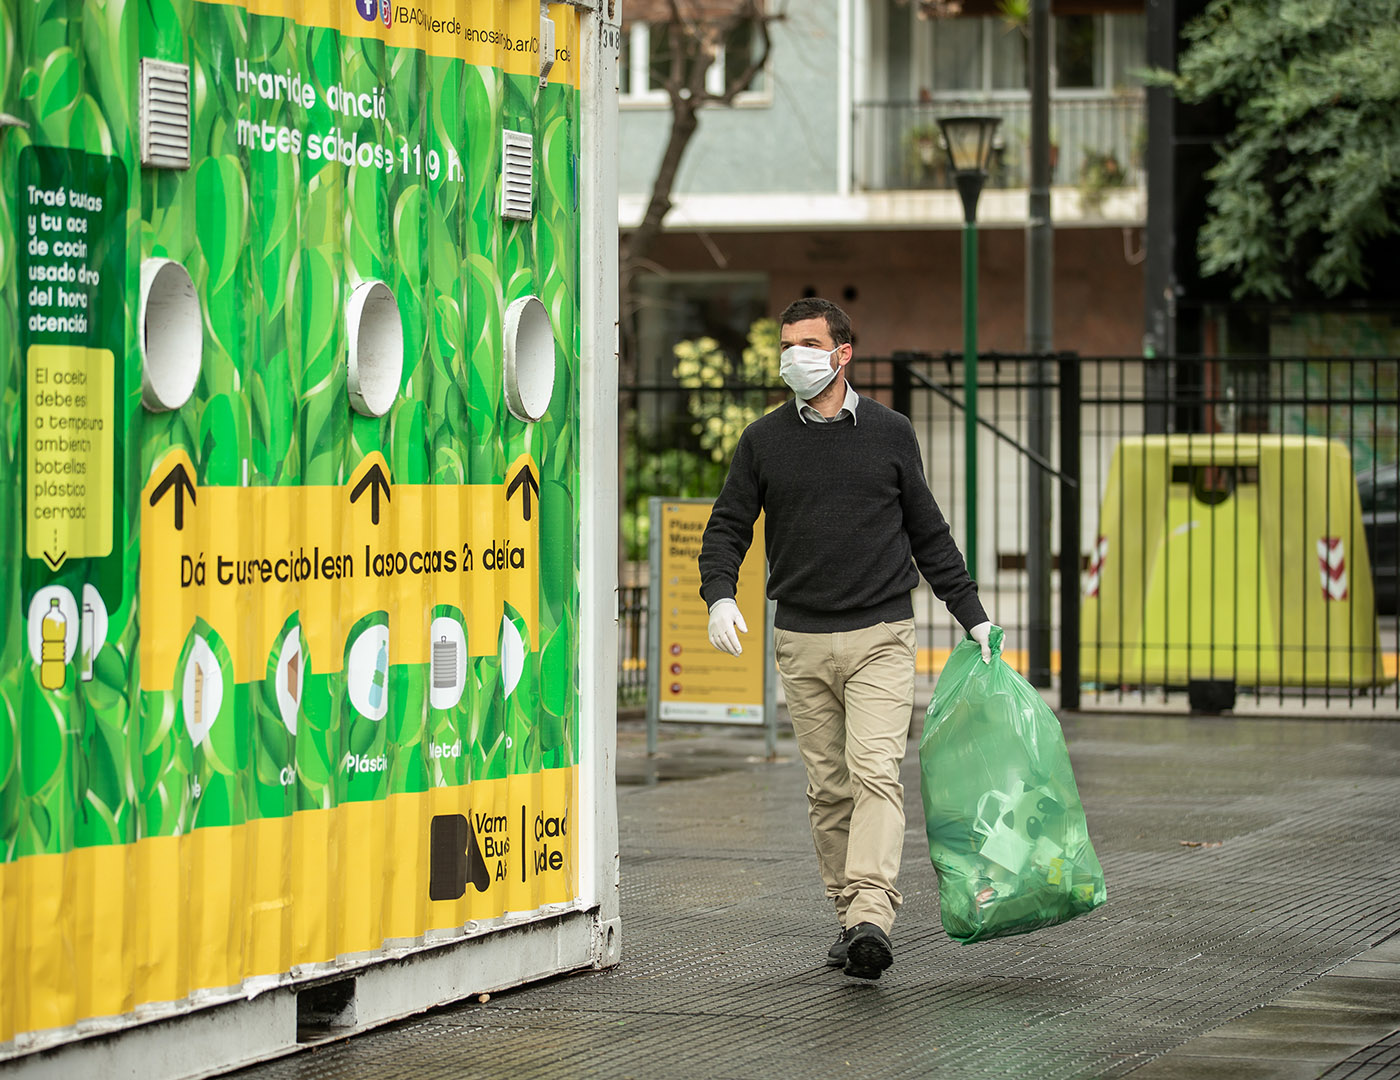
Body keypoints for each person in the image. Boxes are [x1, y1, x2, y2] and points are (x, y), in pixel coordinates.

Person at [697, 297, 995, 981]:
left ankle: (871, 914)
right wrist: (718, 594)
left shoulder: (890, 433)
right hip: (800, 638)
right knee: (829, 790)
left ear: (842, 353)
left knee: (875, 775)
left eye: (807, 343)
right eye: (785, 345)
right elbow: (727, 527)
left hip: (881, 636)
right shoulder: (764, 441)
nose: (792, 356)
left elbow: (929, 532)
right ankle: (849, 918)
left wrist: (971, 614)